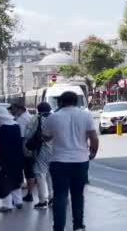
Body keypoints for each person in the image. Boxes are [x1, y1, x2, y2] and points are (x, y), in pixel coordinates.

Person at [43, 91, 99, 231]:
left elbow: (45, 137)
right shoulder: (86, 115)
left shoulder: (53, 117)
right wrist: (92, 152)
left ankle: (58, 227)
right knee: (78, 194)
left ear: (61, 102)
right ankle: (78, 225)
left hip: (59, 161)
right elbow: (93, 137)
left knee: (60, 196)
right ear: (76, 101)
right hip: (80, 161)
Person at [0, 105, 24, 212]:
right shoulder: (16, 125)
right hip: (17, 157)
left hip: (4, 159)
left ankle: (7, 204)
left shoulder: (2, 128)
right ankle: (18, 201)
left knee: (4, 180)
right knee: (16, 179)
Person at [30, 102, 54, 209]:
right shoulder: (56, 118)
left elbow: (29, 134)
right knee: (50, 174)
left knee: (39, 174)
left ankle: (42, 200)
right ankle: (52, 197)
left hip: (42, 149)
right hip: (56, 151)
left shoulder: (37, 118)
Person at [9, 103, 35, 202]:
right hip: (30, 148)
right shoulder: (30, 117)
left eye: (13, 109)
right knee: (30, 172)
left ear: (19, 109)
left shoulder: (21, 120)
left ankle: (17, 197)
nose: (11, 111)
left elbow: (21, 136)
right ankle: (30, 194)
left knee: (19, 171)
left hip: (23, 149)